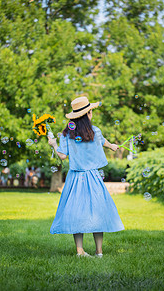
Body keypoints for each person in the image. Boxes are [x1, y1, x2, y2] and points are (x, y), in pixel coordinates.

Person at [48, 96, 125, 258]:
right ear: (89, 113)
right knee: (97, 211)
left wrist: (53, 144)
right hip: (93, 177)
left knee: (77, 213)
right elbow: (103, 141)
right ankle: (99, 252)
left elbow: (62, 156)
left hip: (75, 178)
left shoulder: (67, 134)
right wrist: (112, 146)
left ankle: (80, 250)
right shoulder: (95, 131)